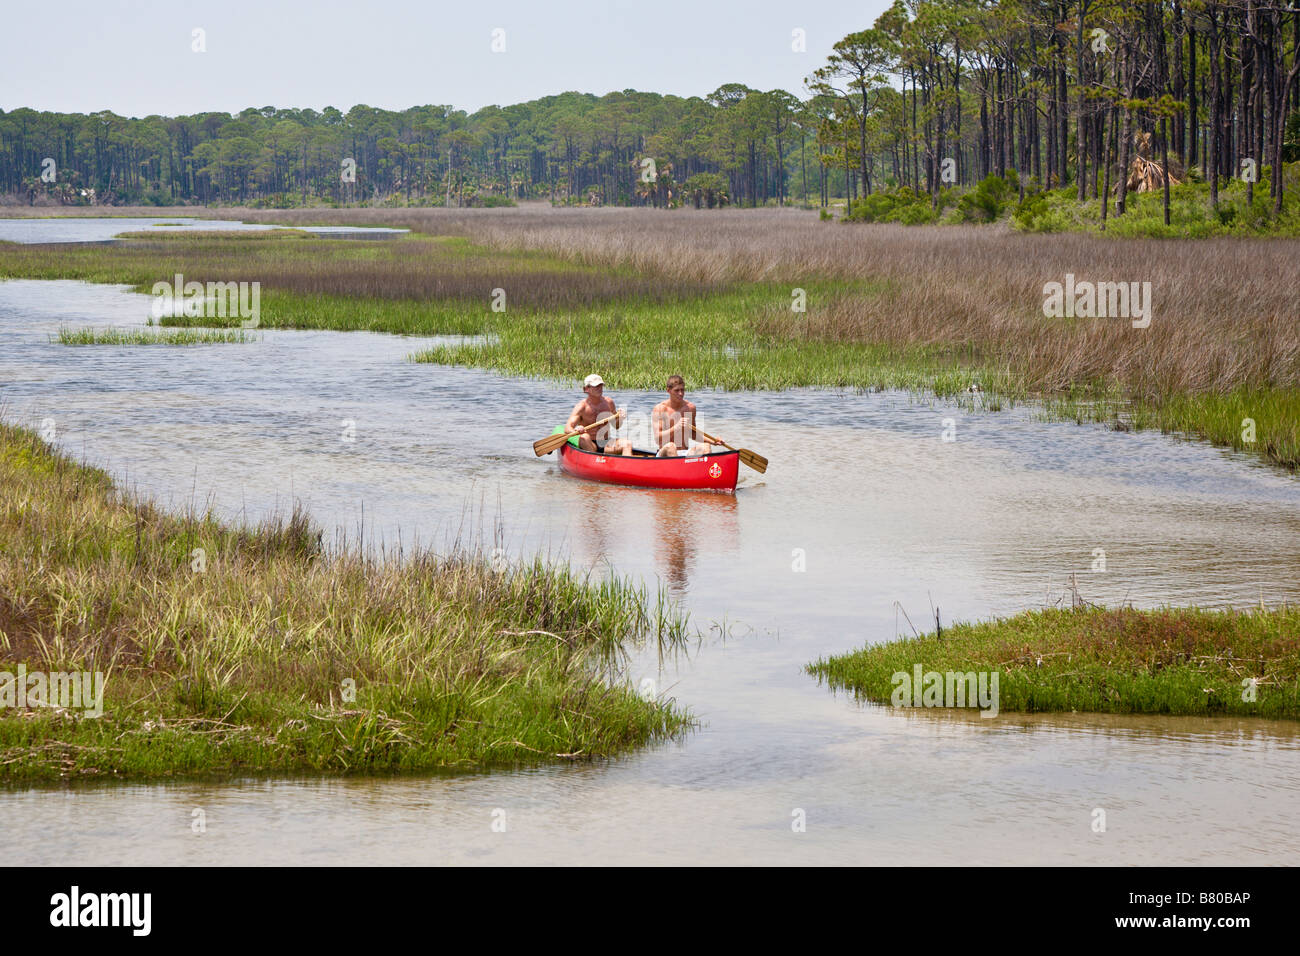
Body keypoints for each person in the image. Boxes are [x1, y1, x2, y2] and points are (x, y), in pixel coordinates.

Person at [653, 374, 721, 457]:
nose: (681, 393)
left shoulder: (690, 408)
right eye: (676, 390)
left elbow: (693, 434)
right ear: (668, 390)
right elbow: (657, 439)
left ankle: (702, 469)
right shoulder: (660, 409)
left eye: (682, 390)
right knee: (671, 446)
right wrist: (676, 427)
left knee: (706, 447)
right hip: (664, 453)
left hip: (684, 452)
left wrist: (713, 441)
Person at [565, 374, 633, 456]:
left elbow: (616, 426)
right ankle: (595, 461)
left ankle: (626, 466)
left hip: (606, 443)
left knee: (627, 443)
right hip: (590, 444)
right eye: (596, 386)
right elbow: (567, 428)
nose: (599, 388)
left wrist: (620, 418)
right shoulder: (581, 407)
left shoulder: (609, 402)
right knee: (584, 437)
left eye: (601, 385)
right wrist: (576, 430)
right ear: (586, 389)